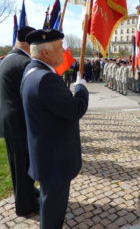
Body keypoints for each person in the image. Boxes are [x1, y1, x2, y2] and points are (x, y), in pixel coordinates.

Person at [20, 29, 89, 229]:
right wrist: (81, 88)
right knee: (53, 210)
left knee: (49, 202)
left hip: (46, 154)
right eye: (60, 48)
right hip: (54, 159)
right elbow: (75, 109)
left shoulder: (32, 71)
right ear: (46, 53)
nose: (65, 52)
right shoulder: (45, 79)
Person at [0, 26, 39, 216]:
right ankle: (25, 206)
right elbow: (31, 96)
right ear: (28, 43)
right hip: (20, 123)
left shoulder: (8, 58)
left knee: (17, 165)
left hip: (9, 122)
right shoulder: (24, 62)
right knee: (23, 167)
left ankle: (26, 194)